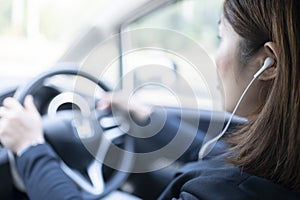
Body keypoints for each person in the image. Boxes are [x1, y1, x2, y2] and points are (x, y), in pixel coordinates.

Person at [0, 0, 300, 199]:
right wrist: (147, 119)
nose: (215, 57)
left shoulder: (222, 194)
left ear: (268, 63)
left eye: (222, 39)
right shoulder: (279, 155)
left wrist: (31, 149)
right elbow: (216, 154)